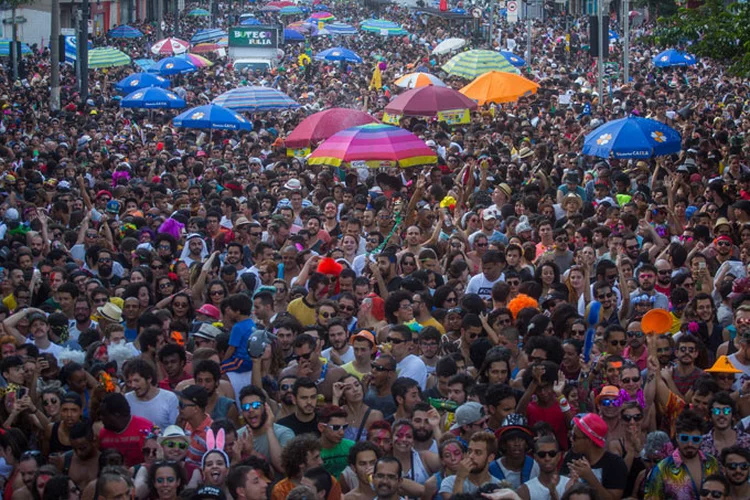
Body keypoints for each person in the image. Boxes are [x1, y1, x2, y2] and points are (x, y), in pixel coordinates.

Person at [645, 409, 720, 499]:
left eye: (695, 439)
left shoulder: (712, 463)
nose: (690, 444)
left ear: (701, 439)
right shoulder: (662, 469)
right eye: (685, 438)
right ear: (677, 437)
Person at [563, 413, 628, 500]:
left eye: (575, 437)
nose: (571, 439)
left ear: (589, 441)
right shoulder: (572, 457)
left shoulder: (615, 464)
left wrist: (590, 477)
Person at [237, 385, 293, 474]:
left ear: (265, 407)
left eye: (256, 405)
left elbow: (283, 468)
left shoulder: (284, 433)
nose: (250, 410)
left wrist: (269, 428)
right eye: (246, 407)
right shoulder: (239, 437)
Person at [439, 431, 503, 498]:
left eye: (478, 452)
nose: (471, 456)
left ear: (490, 458)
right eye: (469, 451)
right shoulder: (450, 482)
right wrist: (460, 479)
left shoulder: (498, 488)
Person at [97, 393, 153, 468]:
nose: (101, 418)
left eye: (104, 415)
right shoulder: (103, 434)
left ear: (117, 415)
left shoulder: (145, 429)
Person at [123, 359, 179, 432]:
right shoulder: (127, 399)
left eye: (136, 381)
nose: (133, 385)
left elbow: (175, 429)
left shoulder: (169, 398)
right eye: (129, 382)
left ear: (149, 378)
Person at [519, 435, 574, 500]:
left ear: (559, 456)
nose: (547, 458)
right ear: (536, 458)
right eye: (542, 454)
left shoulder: (571, 485)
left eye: (552, 454)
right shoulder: (525, 490)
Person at [317, 405, 355, 479]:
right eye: (336, 428)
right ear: (321, 427)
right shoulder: (311, 451)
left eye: (344, 427)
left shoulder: (352, 447)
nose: (342, 432)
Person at [384, 325, 427, 390]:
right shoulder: (383, 359)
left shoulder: (416, 364)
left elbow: (401, 390)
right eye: (388, 340)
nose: (390, 344)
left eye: (396, 341)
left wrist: (389, 360)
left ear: (409, 344)